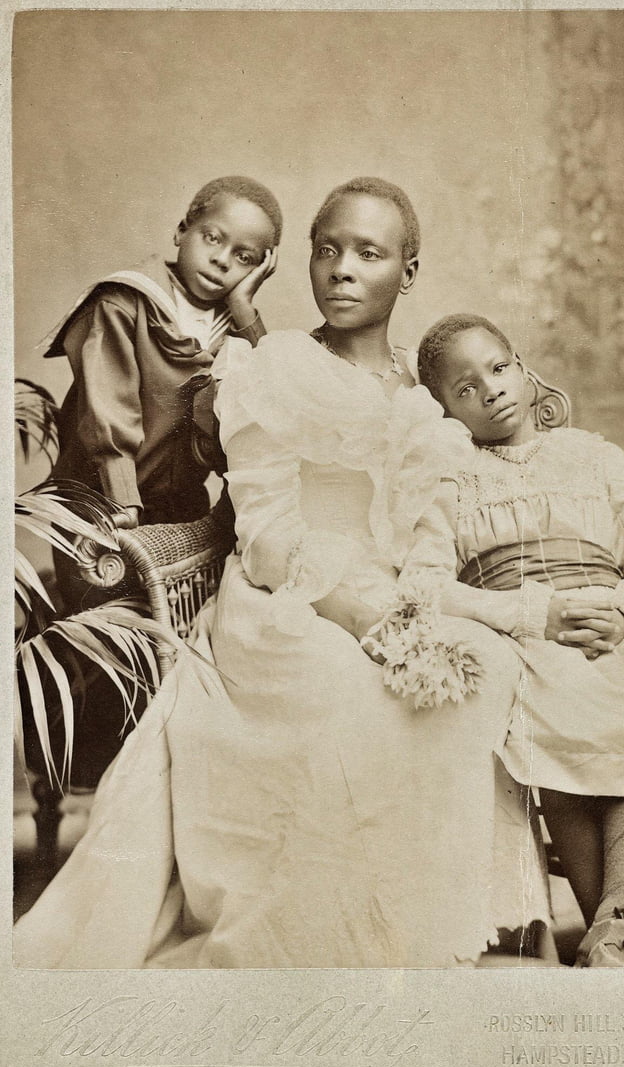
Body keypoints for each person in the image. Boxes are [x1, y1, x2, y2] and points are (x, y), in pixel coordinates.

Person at [14, 179, 550, 969]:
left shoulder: (425, 388)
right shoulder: (270, 368)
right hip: (286, 596)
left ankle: (430, 926)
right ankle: (329, 941)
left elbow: (433, 525)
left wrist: (420, 605)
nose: (340, 269)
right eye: (326, 249)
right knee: (341, 684)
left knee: (491, 665)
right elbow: (264, 534)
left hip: (401, 592)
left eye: (368, 253)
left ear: (406, 272)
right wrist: (356, 614)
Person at [402, 312, 624, 968]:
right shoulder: (452, 480)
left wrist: (622, 614)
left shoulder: (598, 456)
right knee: (555, 706)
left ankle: (613, 932)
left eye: (498, 369)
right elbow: (427, 585)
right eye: (465, 388)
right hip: (524, 632)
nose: (491, 389)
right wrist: (533, 614)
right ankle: (614, 933)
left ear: (525, 370)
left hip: (613, 626)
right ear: (446, 411)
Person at [26, 177, 281, 786]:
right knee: (121, 649)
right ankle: (102, 781)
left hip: (183, 513)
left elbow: (276, 405)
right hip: (100, 513)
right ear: (181, 233)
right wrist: (122, 503)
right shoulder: (124, 304)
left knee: (206, 647)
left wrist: (249, 316)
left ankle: (174, 788)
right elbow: (107, 410)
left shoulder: (227, 329)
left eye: (245, 257)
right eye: (213, 239)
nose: (223, 260)